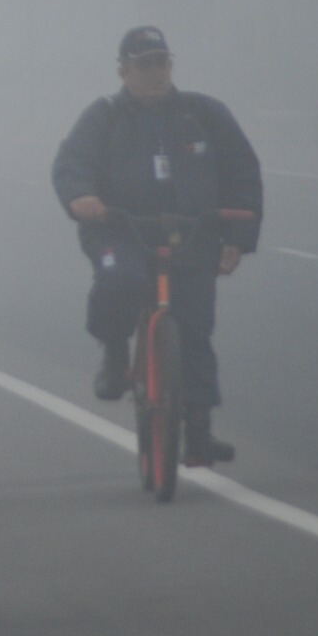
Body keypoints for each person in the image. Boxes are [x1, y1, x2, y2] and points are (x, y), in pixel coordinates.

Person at [51, 26, 262, 465]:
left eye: (161, 62)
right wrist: (81, 197)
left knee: (195, 328)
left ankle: (198, 429)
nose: (154, 73)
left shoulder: (204, 113)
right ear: (123, 71)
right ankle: (115, 354)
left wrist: (238, 238)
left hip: (192, 235)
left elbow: (242, 172)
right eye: (143, 64)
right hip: (120, 231)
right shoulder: (104, 116)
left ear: (171, 65)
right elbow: (71, 163)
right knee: (119, 281)